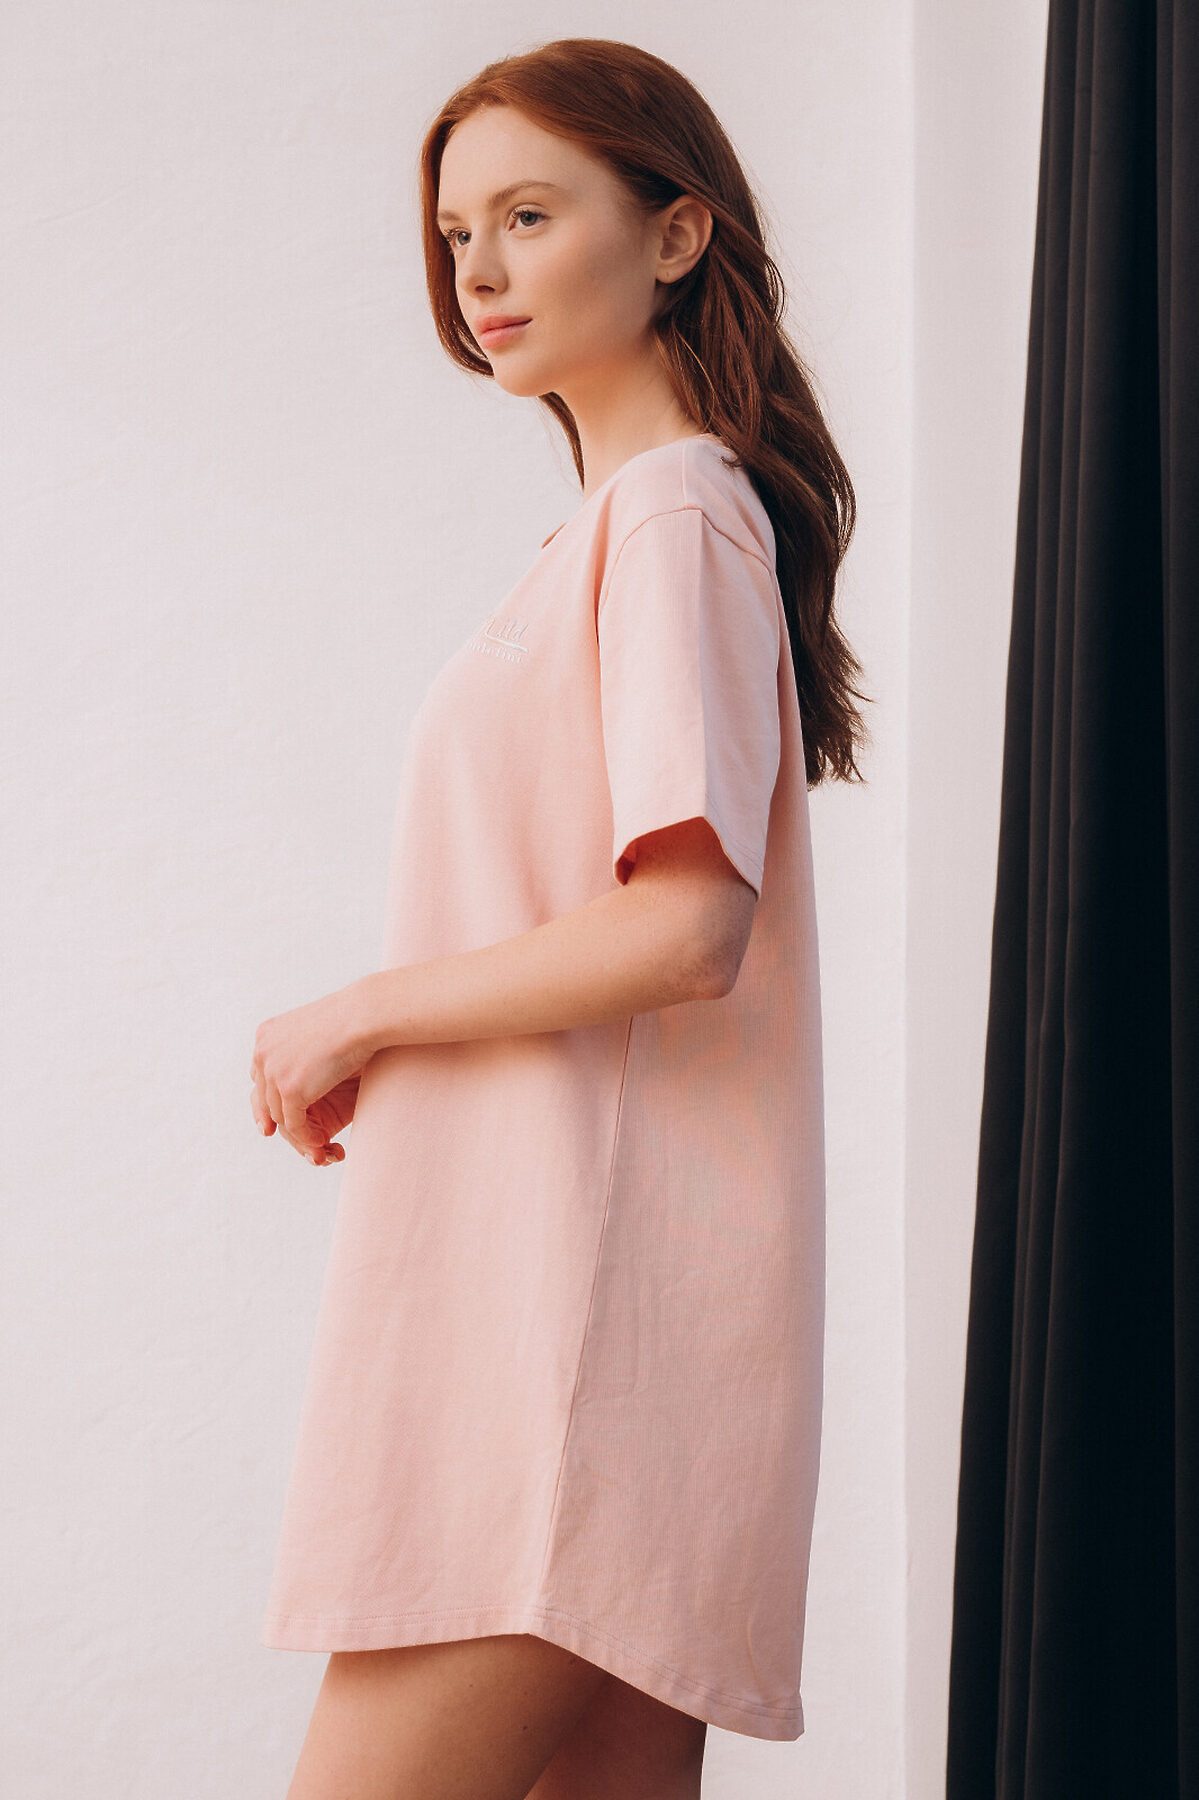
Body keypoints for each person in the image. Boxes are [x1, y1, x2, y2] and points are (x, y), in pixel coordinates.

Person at [250, 37, 867, 1800]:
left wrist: (363, 1010)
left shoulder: (667, 518)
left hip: (572, 1357)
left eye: (529, 216)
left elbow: (688, 930)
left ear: (676, 235)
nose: (481, 272)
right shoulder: (633, 527)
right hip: (585, 1335)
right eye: (458, 235)